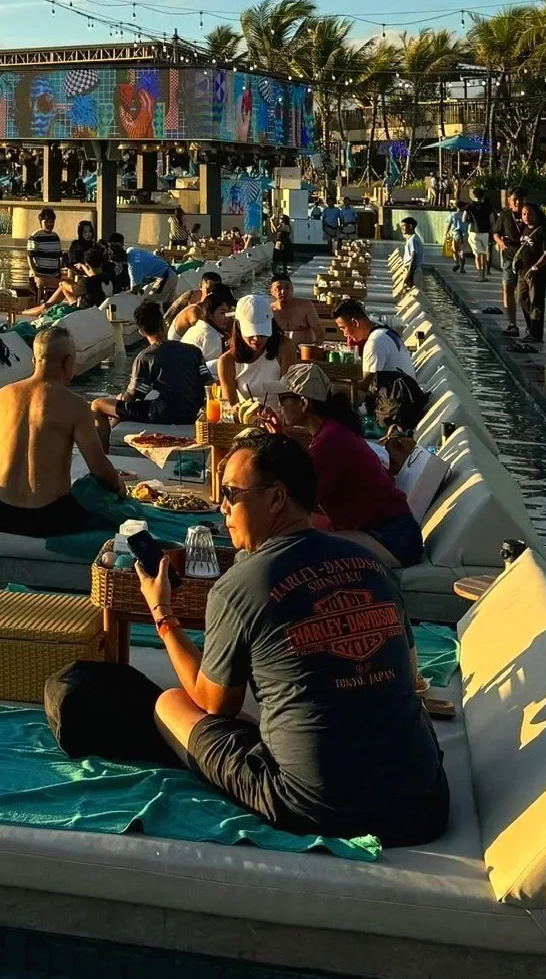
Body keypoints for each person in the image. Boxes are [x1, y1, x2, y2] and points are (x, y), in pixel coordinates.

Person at [136, 430, 449, 846]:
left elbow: (215, 704)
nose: (222, 506)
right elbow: (409, 677)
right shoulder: (371, 564)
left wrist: (163, 614)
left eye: (231, 492)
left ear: (276, 498)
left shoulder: (237, 586)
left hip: (318, 809)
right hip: (424, 806)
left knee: (171, 703)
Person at [266, 364, 423, 568]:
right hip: (391, 530)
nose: (279, 407)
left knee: (292, 545)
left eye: (282, 399)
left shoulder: (329, 443)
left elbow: (297, 504)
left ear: (303, 403)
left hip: (391, 539)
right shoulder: (334, 430)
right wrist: (279, 439)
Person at [0, 324, 128, 537]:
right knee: (101, 503)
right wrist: (119, 487)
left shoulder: (2, 396)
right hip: (48, 517)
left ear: (34, 360)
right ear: (68, 363)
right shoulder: (76, 406)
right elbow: (99, 468)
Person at [93, 296, 207, 432]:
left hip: (164, 413)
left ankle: (103, 450)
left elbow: (133, 396)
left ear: (141, 332)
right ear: (163, 324)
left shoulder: (146, 357)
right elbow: (207, 385)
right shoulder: (193, 351)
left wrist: (120, 398)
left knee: (98, 404)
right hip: (191, 412)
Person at [216, 291, 290, 418]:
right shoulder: (226, 361)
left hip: (282, 421)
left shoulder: (285, 347)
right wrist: (235, 409)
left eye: (262, 334)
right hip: (247, 423)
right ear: (238, 327)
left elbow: (291, 394)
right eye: (250, 333)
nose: (257, 339)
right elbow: (228, 408)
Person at [332, 299, 418, 383]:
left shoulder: (375, 342)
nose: (344, 334)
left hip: (396, 395)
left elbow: (367, 385)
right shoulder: (385, 332)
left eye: (343, 328)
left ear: (355, 322)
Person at [512, 203, 546, 353]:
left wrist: (536, 267)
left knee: (536, 301)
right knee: (522, 298)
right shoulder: (525, 230)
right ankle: (531, 327)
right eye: (524, 214)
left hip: (537, 273)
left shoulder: (542, 231)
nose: (526, 217)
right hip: (523, 272)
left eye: (530, 214)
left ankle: (536, 334)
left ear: (537, 215)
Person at [178, 282, 236, 369]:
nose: (226, 317)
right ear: (209, 314)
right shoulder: (211, 336)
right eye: (222, 313)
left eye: (227, 312)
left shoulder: (198, 327)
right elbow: (214, 370)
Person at [267, 271, 326, 352]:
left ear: (292, 289)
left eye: (287, 288)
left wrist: (315, 346)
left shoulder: (306, 306)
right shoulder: (268, 310)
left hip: (304, 353)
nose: (283, 292)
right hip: (278, 353)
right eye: (279, 288)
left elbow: (318, 330)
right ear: (271, 291)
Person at [494, 190, 525, 336]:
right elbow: (496, 232)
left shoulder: (528, 213)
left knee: (524, 294)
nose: (517, 202)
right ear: (509, 200)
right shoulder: (505, 214)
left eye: (520, 199)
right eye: (514, 199)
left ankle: (532, 326)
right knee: (508, 289)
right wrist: (500, 241)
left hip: (526, 260)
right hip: (509, 257)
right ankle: (512, 324)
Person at [167, 269, 223, 340]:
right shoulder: (190, 296)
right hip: (182, 335)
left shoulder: (221, 302)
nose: (211, 293)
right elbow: (171, 312)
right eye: (208, 290)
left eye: (215, 290)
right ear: (200, 286)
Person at [27, 208, 64, 300]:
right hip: (39, 276)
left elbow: (58, 257)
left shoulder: (55, 237)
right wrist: (35, 274)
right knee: (37, 303)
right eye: (47, 222)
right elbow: (30, 256)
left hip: (53, 276)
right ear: (41, 222)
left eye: (52, 222)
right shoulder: (36, 236)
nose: (50, 224)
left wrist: (59, 272)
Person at [396, 218, 425, 295]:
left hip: (414, 272)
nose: (401, 228)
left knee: (416, 295)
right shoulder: (411, 239)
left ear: (410, 226)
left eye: (403, 226)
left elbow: (413, 258)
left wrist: (408, 276)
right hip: (413, 271)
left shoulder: (413, 240)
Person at [469, 196, 493, 282]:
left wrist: (471, 221)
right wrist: (493, 231)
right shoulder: (487, 206)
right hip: (485, 232)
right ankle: (484, 275)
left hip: (474, 232)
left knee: (477, 255)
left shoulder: (470, 206)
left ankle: (480, 276)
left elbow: (464, 218)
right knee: (484, 254)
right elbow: (492, 220)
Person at [446, 201, 473, 274]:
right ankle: (462, 268)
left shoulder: (452, 214)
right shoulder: (467, 214)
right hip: (465, 234)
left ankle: (457, 263)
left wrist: (446, 233)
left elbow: (449, 225)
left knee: (454, 250)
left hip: (456, 234)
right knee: (462, 252)